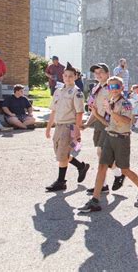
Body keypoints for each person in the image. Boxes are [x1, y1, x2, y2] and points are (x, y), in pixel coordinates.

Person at [78, 76, 138, 212]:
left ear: (122, 88)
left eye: (116, 86)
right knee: (102, 167)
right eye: (110, 87)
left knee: (124, 169)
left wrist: (111, 112)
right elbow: (109, 123)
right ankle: (95, 200)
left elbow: (126, 121)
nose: (113, 89)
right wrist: (96, 114)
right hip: (109, 136)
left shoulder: (125, 103)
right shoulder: (111, 102)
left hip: (121, 139)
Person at [45, 63, 90, 192]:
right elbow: (53, 110)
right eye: (65, 75)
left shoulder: (77, 92)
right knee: (61, 154)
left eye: (71, 76)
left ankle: (61, 182)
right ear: (62, 76)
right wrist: (48, 127)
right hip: (58, 126)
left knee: (62, 155)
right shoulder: (58, 91)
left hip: (69, 126)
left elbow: (79, 112)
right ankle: (81, 166)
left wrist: (77, 130)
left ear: (75, 77)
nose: (67, 78)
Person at [83, 62, 125, 194]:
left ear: (108, 74)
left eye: (101, 72)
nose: (98, 74)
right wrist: (86, 124)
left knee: (102, 155)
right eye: (96, 73)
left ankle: (104, 184)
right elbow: (95, 111)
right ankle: (115, 177)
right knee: (100, 154)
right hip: (99, 124)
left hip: (109, 124)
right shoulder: (96, 88)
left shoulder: (111, 89)